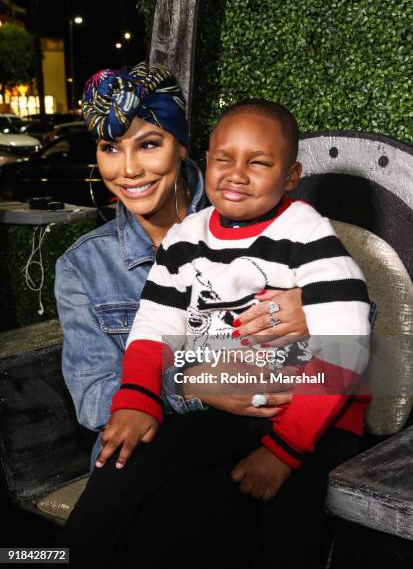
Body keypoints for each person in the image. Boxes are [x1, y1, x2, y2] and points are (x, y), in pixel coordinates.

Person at [57, 84, 371, 569]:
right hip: (222, 412)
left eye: (147, 143)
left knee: (283, 521)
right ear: (208, 157)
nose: (129, 168)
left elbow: (348, 342)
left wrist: (283, 451)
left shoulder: (307, 231)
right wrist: (148, 395)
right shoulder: (184, 238)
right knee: (124, 469)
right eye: (110, 149)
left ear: (291, 177)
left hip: (312, 415)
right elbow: (154, 322)